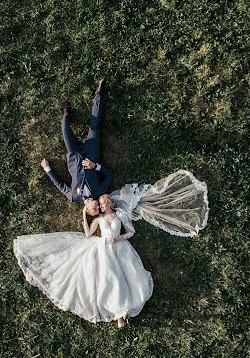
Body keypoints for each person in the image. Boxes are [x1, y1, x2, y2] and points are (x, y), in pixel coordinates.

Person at [13, 194, 153, 328]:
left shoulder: (119, 215)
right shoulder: (99, 219)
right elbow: (87, 234)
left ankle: (123, 312)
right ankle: (120, 314)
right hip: (104, 249)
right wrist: (84, 214)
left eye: (103, 204)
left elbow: (130, 232)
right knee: (111, 278)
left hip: (120, 247)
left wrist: (118, 239)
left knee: (128, 275)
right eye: (100, 204)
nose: (101, 206)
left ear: (110, 203)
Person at [40, 78, 113, 205]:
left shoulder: (74, 197)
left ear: (87, 210)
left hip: (74, 155)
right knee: (95, 126)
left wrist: (47, 169)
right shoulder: (98, 193)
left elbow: (59, 185)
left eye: (93, 209)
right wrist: (95, 166)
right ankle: (99, 95)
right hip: (92, 154)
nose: (96, 206)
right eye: (97, 208)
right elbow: (109, 176)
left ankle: (66, 113)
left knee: (65, 129)